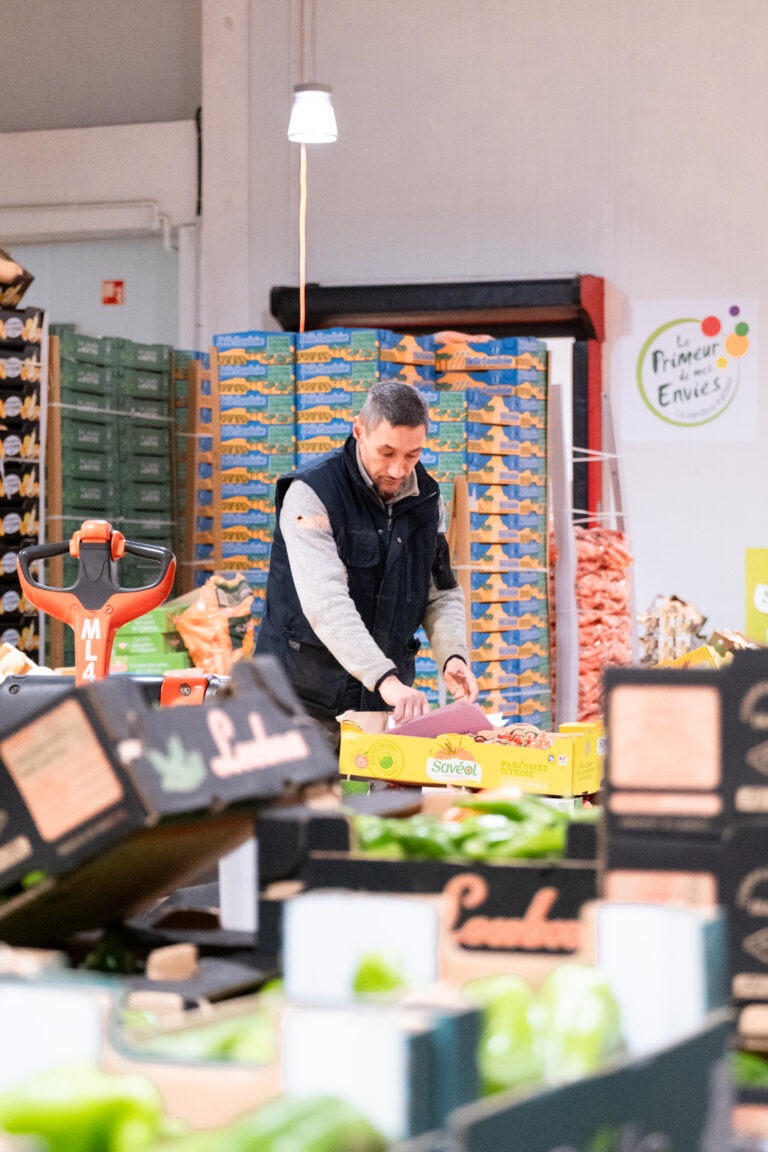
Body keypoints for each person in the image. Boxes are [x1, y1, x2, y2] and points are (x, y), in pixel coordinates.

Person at [255, 380, 478, 746]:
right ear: (359, 430)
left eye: (412, 455)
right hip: (299, 704)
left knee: (371, 786)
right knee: (311, 787)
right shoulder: (312, 494)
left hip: (379, 707)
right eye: (386, 453)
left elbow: (440, 591)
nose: (398, 470)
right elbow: (325, 601)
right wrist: (385, 679)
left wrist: (453, 655)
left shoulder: (427, 500)